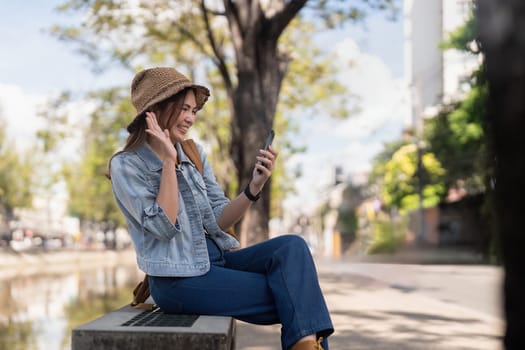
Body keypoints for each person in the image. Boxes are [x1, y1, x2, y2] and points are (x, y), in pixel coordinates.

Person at [108, 67, 334, 350]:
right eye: (183, 109)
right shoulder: (126, 165)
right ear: (155, 110)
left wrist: (254, 187)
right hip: (179, 279)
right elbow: (163, 227)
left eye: (193, 110)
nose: (191, 118)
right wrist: (167, 162)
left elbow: (217, 218)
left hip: (217, 259)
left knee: (292, 247)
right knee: (297, 295)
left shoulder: (193, 153)